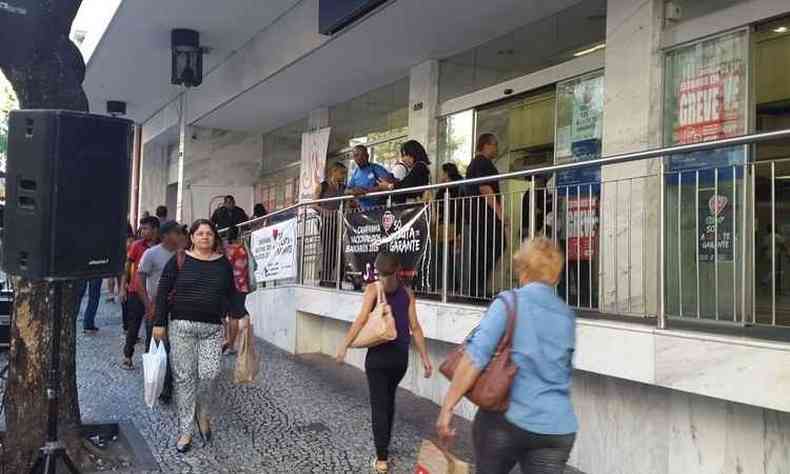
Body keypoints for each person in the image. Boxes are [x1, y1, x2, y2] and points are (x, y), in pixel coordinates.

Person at [436, 238, 577, 474]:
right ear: (555, 276)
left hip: (506, 421)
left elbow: (474, 358)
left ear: (523, 271)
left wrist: (447, 408)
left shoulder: (510, 302)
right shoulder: (567, 315)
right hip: (556, 428)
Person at [152, 219, 249, 453]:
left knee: (210, 373)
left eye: (209, 233)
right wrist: (159, 323)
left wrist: (241, 314)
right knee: (184, 379)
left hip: (212, 329)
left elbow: (232, 293)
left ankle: (202, 414)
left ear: (214, 238)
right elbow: (163, 291)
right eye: (200, 233)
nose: (205, 237)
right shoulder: (179, 260)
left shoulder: (223, 264)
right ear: (192, 237)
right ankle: (185, 431)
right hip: (181, 326)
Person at [336, 253, 433, 473]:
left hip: (378, 358)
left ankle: (381, 458)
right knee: (388, 399)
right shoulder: (408, 293)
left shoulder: (373, 290)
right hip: (400, 359)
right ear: (398, 269)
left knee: (379, 404)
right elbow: (415, 327)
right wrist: (426, 359)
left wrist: (344, 345)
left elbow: (361, 320)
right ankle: (385, 443)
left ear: (378, 271)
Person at [465, 133, 505, 298]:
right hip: (484, 216)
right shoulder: (482, 162)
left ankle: (477, 289)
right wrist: (500, 212)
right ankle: (477, 289)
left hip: (479, 215)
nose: (497, 149)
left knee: (483, 250)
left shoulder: (475, 163)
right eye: (495, 145)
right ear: (487, 145)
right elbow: (485, 188)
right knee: (493, 247)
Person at [121, 215, 160, 370]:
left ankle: (148, 357)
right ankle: (127, 355)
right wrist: (124, 286)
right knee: (133, 325)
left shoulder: (164, 247)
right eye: (141, 228)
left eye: (145, 228)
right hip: (136, 291)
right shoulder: (137, 246)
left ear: (155, 230)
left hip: (154, 294)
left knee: (152, 328)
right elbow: (127, 266)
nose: (142, 231)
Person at [315, 162, 348, 286]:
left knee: (339, 253)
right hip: (327, 224)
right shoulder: (322, 186)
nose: (344, 175)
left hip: (339, 224)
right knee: (328, 252)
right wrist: (325, 212)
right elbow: (314, 204)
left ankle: (335, 280)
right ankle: (325, 279)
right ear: (334, 171)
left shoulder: (342, 187)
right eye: (341, 173)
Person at [222, 225, 251, 355]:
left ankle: (228, 341)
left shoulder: (225, 250)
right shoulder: (241, 250)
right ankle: (231, 346)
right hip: (240, 287)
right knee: (235, 317)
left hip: (227, 287)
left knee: (229, 316)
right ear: (238, 235)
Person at [380, 140, 431, 205]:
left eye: (405, 155)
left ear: (413, 153)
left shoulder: (420, 166)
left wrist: (389, 186)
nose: (403, 159)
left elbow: (407, 185)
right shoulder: (421, 166)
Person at [346, 145, 393, 209]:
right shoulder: (355, 173)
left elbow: (388, 185)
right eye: (355, 155)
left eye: (361, 155)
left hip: (378, 209)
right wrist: (354, 191)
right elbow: (346, 190)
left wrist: (366, 190)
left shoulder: (376, 168)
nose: (358, 158)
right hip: (361, 211)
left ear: (367, 156)